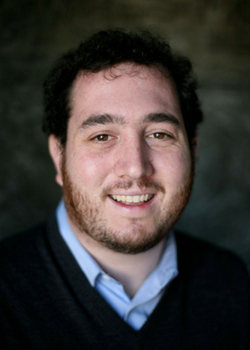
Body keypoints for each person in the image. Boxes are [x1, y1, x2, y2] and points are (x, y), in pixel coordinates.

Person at [0, 29, 249, 349]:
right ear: (59, 157)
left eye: (159, 134)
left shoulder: (233, 283)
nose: (135, 167)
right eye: (102, 136)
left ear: (193, 151)